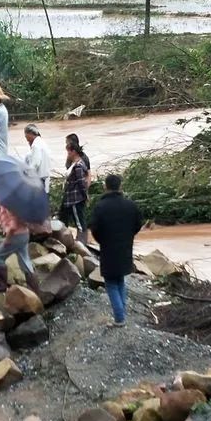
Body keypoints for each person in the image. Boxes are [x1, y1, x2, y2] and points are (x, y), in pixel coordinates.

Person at [89, 174, 143, 327]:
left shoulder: (100, 206)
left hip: (107, 247)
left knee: (111, 282)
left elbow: (94, 228)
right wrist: (128, 236)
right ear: (120, 186)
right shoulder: (130, 205)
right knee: (120, 279)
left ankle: (120, 318)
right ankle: (122, 313)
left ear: (105, 187)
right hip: (126, 246)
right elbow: (138, 224)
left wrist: (102, 240)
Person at [0, 193, 40, 295]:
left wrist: (7, 239)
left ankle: (1, 285)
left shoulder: (8, 205)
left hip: (16, 236)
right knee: (25, 261)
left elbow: (13, 226)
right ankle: (35, 289)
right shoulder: (15, 200)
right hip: (24, 234)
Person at [59, 140, 89, 244]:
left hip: (75, 198)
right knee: (75, 219)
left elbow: (81, 182)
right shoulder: (76, 164)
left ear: (74, 152)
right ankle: (79, 240)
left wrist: (85, 196)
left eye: (68, 152)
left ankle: (82, 241)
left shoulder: (78, 166)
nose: (68, 155)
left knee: (79, 221)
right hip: (72, 197)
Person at [24, 124, 52, 194]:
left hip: (40, 179)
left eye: (25, 134)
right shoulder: (41, 142)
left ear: (30, 134)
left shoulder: (36, 145)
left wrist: (27, 174)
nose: (25, 137)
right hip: (45, 177)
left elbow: (36, 163)